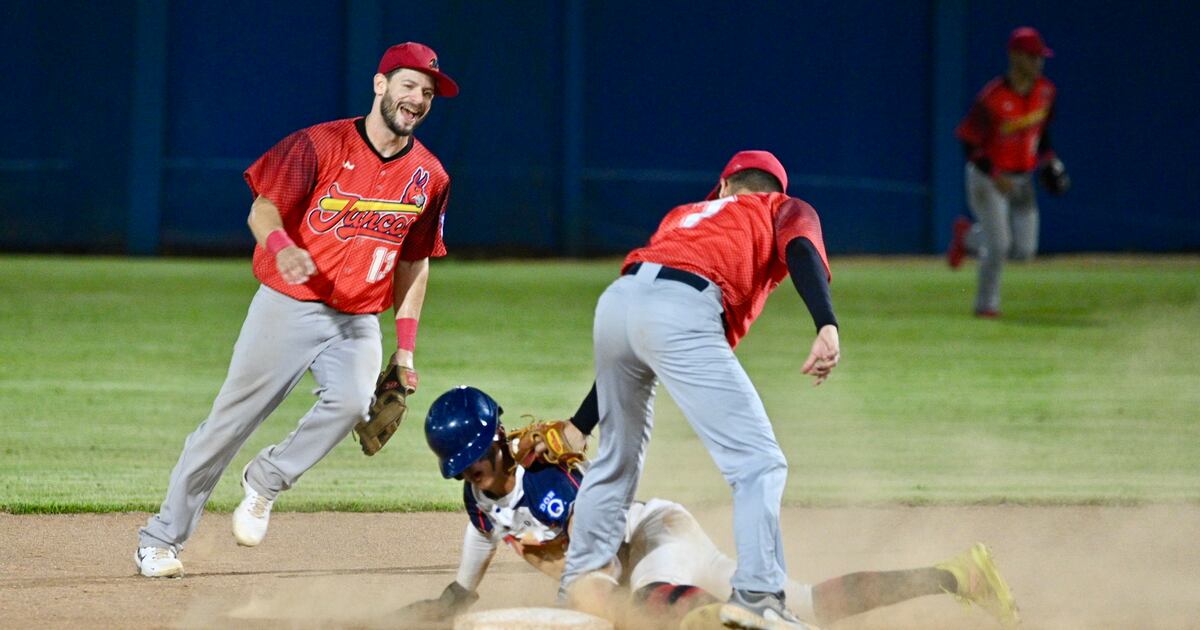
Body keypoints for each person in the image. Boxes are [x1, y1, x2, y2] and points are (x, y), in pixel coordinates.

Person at [134, 42, 458, 578]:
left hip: (357, 319)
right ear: (380, 85)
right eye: (409, 85)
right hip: (288, 307)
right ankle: (160, 541)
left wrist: (405, 349)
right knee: (228, 425)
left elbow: (414, 262)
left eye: (427, 92)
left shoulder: (431, 176)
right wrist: (281, 246)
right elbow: (262, 209)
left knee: (352, 403)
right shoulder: (318, 144)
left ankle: (265, 480)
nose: (418, 99)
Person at [404, 386, 1020, 630]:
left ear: (496, 442)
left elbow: (604, 546)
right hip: (662, 555)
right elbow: (485, 528)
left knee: (639, 604)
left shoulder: (547, 484)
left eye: (476, 460)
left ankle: (733, 619)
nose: (472, 473)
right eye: (462, 468)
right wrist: (458, 594)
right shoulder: (480, 493)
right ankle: (957, 574)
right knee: (808, 603)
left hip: (654, 538)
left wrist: (598, 598)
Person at [557, 150, 842, 630]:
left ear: (725, 186)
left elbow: (641, 324)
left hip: (618, 299)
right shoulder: (782, 207)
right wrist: (826, 323)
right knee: (759, 463)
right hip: (682, 305)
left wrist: (581, 424)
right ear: (776, 190)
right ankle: (759, 596)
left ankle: (579, 585)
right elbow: (801, 251)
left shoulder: (686, 214)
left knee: (617, 457)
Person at [946, 26, 1070, 318]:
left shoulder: (1046, 92)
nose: (1038, 62)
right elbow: (968, 142)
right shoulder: (992, 97)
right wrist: (994, 174)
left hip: (1023, 178)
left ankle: (967, 237)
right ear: (1015, 56)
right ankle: (986, 306)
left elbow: (1042, 134)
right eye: (1032, 56)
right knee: (999, 245)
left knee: (1024, 250)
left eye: (1040, 57)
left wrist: (1050, 161)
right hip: (987, 178)